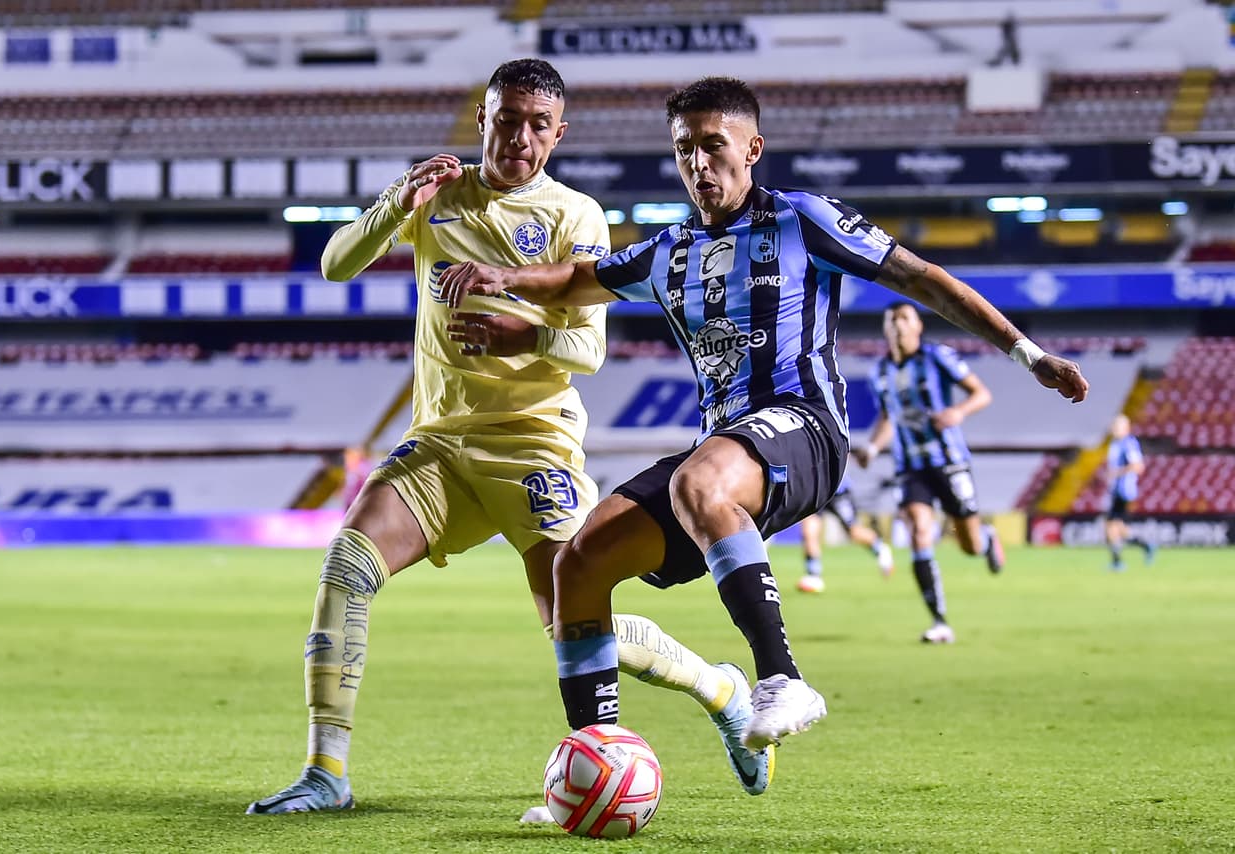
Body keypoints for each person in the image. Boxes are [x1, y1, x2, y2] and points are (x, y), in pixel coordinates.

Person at [438, 75, 1088, 752]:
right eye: (684, 147)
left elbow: (920, 278)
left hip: (805, 426)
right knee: (577, 564)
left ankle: (783, 678)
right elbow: (577, 279)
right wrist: (504, 278)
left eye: (713, 145)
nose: (697, 162)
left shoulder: (801, 219)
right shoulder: (669, 250)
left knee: (699, 481)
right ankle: (597, 757)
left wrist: (1026, 354)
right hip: (724, 449)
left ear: (753, 148)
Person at [247, 60, 772, 816]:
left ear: (557, 134)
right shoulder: (438, 198)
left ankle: (717, 686)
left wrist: (515, 332)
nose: (519, 138)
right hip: (439, 445)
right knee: (345, 569)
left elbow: (586, 351)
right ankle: (326, 772)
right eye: (506, 119)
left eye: (537, 125)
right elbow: (336, 266)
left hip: (534, 446)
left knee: (575, 625)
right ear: (483, 118)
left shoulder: (574, 215)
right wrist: (393, 204)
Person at [853, 303, 1005, 645]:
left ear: (918, 326)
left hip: (949, 461)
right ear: (885, 329)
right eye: (891, 320)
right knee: (919, 531)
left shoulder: (938, 358)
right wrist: (874, 448)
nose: (898, 325)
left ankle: (987, 538)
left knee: (970, 545)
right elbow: (888, 419)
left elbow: (981, 394)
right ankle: (939, 622)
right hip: (910, 467)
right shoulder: (880, 371)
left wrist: (957, 412)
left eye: (905, 318)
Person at [796, 473, 894, 594]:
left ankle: (881, 549)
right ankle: (814, 575)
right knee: (809, 531)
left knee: (854, 532)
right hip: (815, 490)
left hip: (838, 491)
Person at [1104, 413, 1157, 572]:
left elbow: (1138, 466)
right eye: (1114, 426)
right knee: (1120, 530)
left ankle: (1117, 563)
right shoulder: (1115, 443)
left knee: (1111, 529)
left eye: (1118, 426)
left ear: (1126, 428)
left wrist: (1117, 473)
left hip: (1124, 491)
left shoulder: (1129, 444)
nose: (1114, 429)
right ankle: (1146, 546)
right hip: (1116, 491)